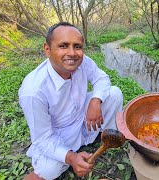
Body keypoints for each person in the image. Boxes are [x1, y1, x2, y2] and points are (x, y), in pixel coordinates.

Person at [18, 22, 123, 180]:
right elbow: (43, 138)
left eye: (77, 46)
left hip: (82, 115)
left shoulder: (83, 61)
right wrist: (71, 158)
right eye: (63, 46)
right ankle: (72, 152)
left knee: (114, 93)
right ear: (47, 50)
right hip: (60, 133)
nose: (72, 53)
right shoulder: (33, 91)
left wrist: (95, 100)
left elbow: (101, 78)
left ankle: (104, 138)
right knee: (48, 170)